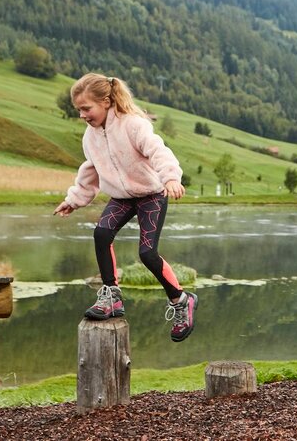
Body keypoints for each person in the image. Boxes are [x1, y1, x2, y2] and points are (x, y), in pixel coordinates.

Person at [54, 73, 197, 342]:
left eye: (87, 108)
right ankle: (112, 298)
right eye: (79, 110)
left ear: (106, 101)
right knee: (102, 233)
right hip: (121, 197)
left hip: (152, 194)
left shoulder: (132, 124)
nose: (83, 115)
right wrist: (74, 199)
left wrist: (170, 178)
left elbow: (158, 150)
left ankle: (181, 300)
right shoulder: (90, 137)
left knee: (147, 252)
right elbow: (91, 170)